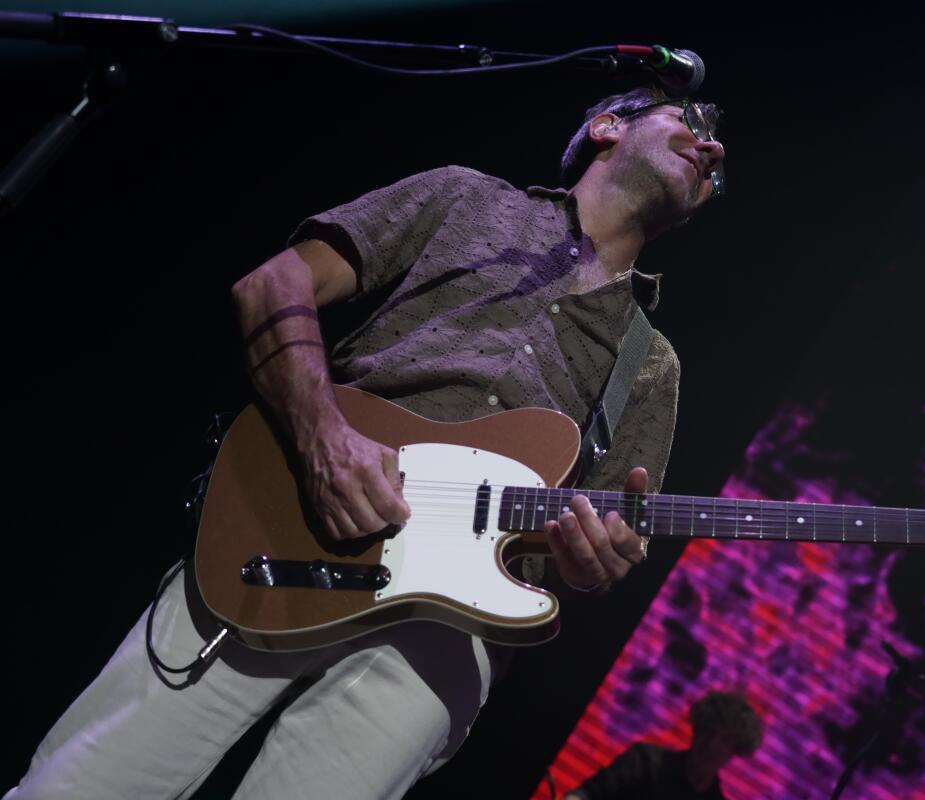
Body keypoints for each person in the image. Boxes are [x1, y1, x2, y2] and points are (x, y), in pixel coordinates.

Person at [5, 83, 725, 800]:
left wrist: (595, 564)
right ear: (605, 126)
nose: (712, 150)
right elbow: (271, 286)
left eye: (718, 163)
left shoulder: (652, 365)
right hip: (285, 531)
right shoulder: (463, 198)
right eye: (691, 121)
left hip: (450, 630)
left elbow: (592, 553)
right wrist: (324, 443)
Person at [565, 690, 764, 800]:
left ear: (735, 750)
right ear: (696, 729)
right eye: (709, 731)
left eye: (724, 739)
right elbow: (587, 794)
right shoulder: (644, 761)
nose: (711, 744)